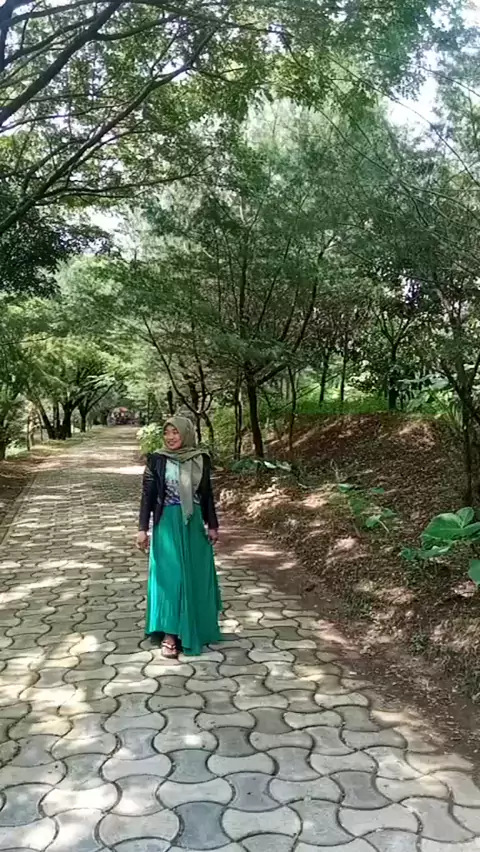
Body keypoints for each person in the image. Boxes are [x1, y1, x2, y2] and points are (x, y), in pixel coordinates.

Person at [136, 416, 222, 658]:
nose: (170, 437)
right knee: (170, 578)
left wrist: (212, 525)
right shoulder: (157, 459)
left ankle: (194, 628)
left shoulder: (200, 459)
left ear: (186, 433)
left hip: (193, 524)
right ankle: (170, 634)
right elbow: (147, 496)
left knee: (193, 576)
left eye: (175, 432)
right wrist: (142, 529)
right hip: (166, 524)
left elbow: (207, 494)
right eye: (167, 432)